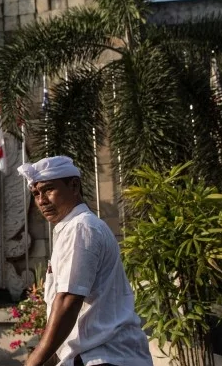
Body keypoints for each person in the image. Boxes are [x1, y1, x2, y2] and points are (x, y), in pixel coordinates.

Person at [17, 156, 152, 366]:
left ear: (74, 185)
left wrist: (33, 362)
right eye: (36, 194)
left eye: (49, 189)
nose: (42, 200)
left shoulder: (81, 227)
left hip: (106, 357)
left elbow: (68, 300)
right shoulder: (70, 228)